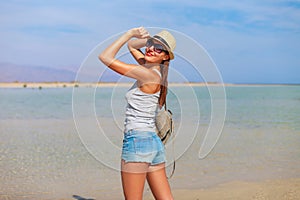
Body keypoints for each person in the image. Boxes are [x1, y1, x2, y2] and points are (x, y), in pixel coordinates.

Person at [99, 27, 176, 200]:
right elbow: (133, 47)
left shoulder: (146, 73)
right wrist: (147, 39)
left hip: (137, 142)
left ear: (165, 56)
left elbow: (105, 57)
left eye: (158, 48)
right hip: (154, 143)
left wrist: (128, 34)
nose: (151, 49)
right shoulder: (156, 72)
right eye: (150, 46)